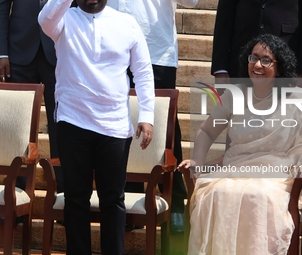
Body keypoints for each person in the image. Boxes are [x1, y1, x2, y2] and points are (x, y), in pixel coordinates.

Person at [178, 34, 302, 255]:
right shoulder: (235, 96)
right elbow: (205, 131)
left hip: (279, 174)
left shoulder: (298, 98)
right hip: (235, 168)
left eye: (266, 60)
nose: (257, 64)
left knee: (259, 196)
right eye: (253, 58)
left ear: (280, 67)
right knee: (218, 193)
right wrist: (198, 160)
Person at [38, 0, 155, 254]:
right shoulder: (63, 20)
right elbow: (44, 19)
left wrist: (147, 114)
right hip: (73, 121)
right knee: (76, 199)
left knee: (113, 200)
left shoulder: (127, 23)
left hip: (113, 126)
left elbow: (143, 71)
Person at [106, 0, 198, 235]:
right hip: (113, 44)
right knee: (120, 120)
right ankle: (128, 196)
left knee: (166, 125)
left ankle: (175, 200)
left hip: (156, 48)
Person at [0, 0, 73, 192]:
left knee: (62, 124)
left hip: (59, 51)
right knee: (18, 125)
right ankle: (17, 194)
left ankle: (64, 194)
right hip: (19, 50)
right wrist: (2, 53)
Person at [211, 0, 302, 89]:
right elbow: (224, 19)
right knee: (238, 115)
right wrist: (221, 69)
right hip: (241, 62)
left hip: (285, 64)